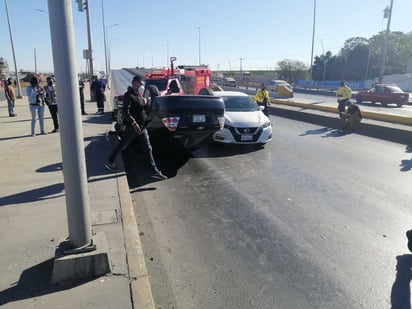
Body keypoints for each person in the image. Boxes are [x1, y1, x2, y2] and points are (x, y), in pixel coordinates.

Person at [105, 74, 167, 180]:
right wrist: (134, 124)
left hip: (142, 127)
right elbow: (125, 111)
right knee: (122, 145)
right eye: (140, 84)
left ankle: (154, 171)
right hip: (133, 128)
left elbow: (142, 110)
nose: (142, 86)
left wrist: (147, 104)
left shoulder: (139, 95)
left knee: (148, 148)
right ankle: (110, 162)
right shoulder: (128, 95)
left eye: (142, 84)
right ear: (134, 83)